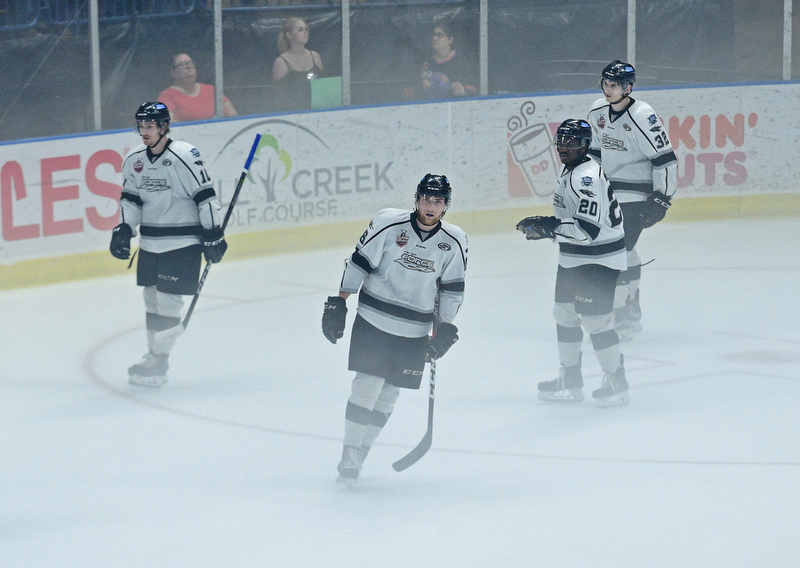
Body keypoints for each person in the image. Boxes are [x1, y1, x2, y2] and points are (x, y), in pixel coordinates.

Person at [322, 174, 468, 483]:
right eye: (426, 199)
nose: (431, 206)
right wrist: (339, 302)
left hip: (415, 329)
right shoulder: (390, 223)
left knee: (389, 395)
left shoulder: (454, 241)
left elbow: (452, 289)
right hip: (374, 318)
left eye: (438, 201)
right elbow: (359, 262)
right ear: (417, 199)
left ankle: (361, 450)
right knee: (367, 385)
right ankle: (349, 451)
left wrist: (445, 329)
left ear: (446, 206)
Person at [109, 101, 228, 388]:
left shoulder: (184, 155)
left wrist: (213, 233)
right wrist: (125, 228)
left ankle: (159, 362)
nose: (144, 131)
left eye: (150, 125)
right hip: (150, 243)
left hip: (182, 243)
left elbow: (205, 196)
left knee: (167, 302)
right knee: (151, 300)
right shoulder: (134, 159)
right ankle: (154, 356)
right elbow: (131, 199)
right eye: (141, 125)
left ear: (164, 126)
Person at [516, 119, 628, 407]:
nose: (564, 148)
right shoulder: (573, 168)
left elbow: (587, 231)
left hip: (599, 259)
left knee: (595, 320)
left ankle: (617, 382)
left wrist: (549, 227)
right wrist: (550, 227)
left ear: (585, 145)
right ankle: (571, 379)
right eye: (561, 142)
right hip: (574, 258)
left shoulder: (585, 176)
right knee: (564, 313)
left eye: (571, 142)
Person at [587, 60, 678, 341]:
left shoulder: (642, 115)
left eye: (614, 84)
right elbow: (594, 154)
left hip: (638, 191)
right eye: (605, 82)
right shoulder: (596, 111)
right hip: (609, 190)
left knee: (616, 251)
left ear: (629, 88)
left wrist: (663, 197)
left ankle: (623, 312)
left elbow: (665, 158)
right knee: (621, 251)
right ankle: (632, 302)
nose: (608, 88)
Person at [402, 23, 478, 100]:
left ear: (450, 40)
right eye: (433, 35)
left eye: (440, 35)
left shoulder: (461, 61)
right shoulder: (424, 60)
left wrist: (464, 92)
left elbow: (474, 91)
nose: (434, 38)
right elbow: (410, 89)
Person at [157, 53, 237, 122]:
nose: (188, 67)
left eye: (190, 63)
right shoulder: (166, 96)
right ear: (173, 73)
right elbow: (168, 124)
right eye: (182, 65)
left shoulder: (210, 89)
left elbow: (232, 113)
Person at [272, 17, 324, 111]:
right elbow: (280, 96)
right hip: (292, 115)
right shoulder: (281, 61)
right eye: (300, 30)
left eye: (306, 29)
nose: (305, 32)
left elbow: (323, 88)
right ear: (289, 35)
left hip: (316, 111)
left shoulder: (315, 56)